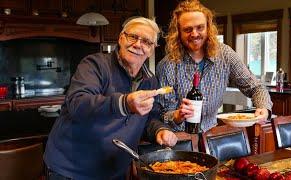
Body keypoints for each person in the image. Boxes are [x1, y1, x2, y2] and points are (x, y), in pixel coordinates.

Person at [44, 17, 178, 180]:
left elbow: (149, 117)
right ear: (121, 38)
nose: (138, 44)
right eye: (133, 37)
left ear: (152, 49)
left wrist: (159, 130)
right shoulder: (95, 65)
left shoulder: (150, 81)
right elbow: (77, 104)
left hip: (114, 170)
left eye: (146, 42)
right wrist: (124, 103)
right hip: (72, 169)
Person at [156, 0, 273, 132]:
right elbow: (163, 114)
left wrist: (264, 108)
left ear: (208, 28)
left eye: (200, 27)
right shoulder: (167, 65)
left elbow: (256, 87)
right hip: (180, 139)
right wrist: (177, 115)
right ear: (178, 32)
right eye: (188, 29)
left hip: (212, 135)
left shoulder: (225, 55)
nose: (194, 34)